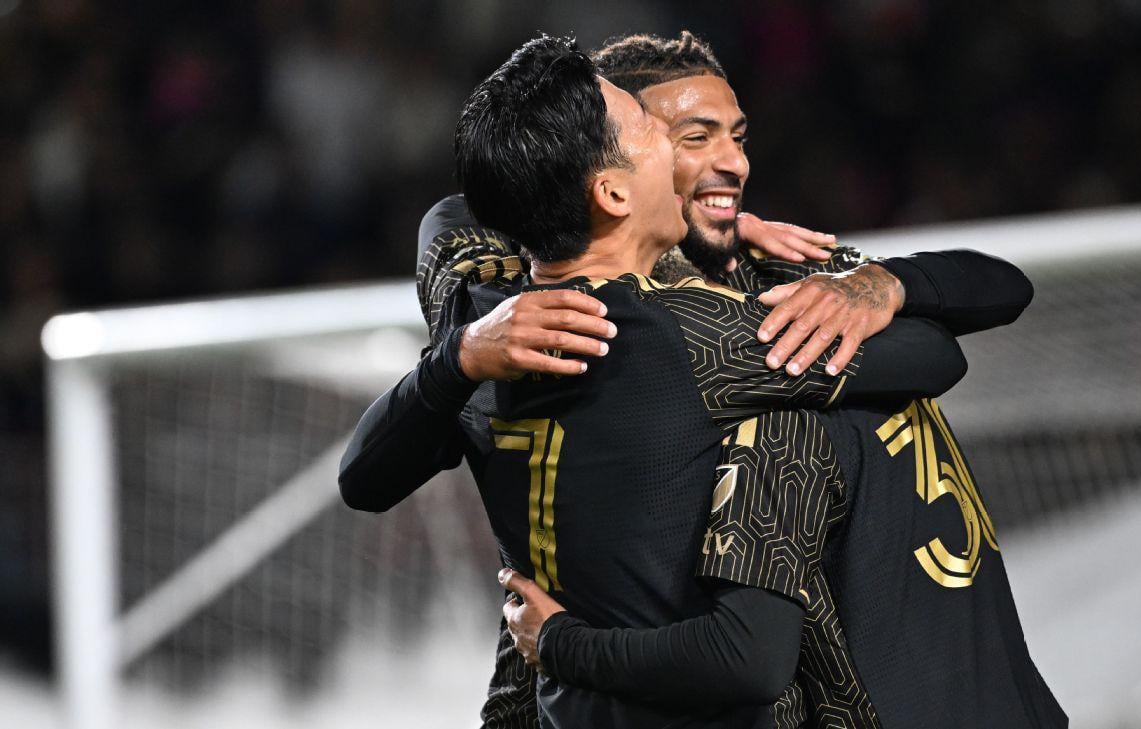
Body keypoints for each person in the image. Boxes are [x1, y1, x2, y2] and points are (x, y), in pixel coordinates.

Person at [340, 35, 971, 728]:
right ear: (611, 191)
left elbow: (361, 479)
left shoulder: (478, 317)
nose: (673, 151)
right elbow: (936, 355)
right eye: (649, 130)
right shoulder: (697, 338)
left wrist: (456, 356)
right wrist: (875, 285)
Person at [494, 32, 1067, 729]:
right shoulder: (634, 350)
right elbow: (736, 651)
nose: (734, 162)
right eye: (695, 138)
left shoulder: (793, 277)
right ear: (616, 162)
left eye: (737, 136)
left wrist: (885, 283)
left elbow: (1000, 287)